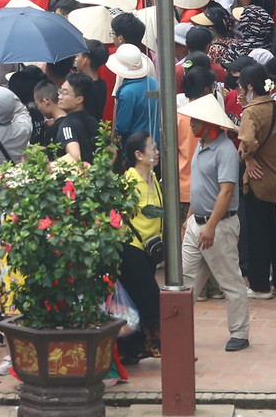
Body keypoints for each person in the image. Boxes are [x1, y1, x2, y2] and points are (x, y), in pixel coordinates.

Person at [177, 93, 250, 351]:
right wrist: (190, 218)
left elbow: (226, 191)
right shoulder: (201, 145)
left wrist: (210, 226)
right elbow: (200, 186)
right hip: (198, 222)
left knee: (229, 280)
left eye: (196, 121)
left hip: (218, 225)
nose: (192, 125)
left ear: (210, 123)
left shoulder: (225, 150)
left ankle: (240, 332)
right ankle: (177, 332)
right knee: (185, 282)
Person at [235, 63, 276, 299]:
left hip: (257, 181)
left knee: (258, 236)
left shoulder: (251, 111)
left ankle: (260, 286)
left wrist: (247, 158)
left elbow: (246, 141)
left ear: (249, 86)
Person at [113, 132, 162, 362]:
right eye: (152, 148)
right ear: (138, 154)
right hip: (131, 248)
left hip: (150, 249)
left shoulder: (153, 177)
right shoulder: (128, 181)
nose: (157, 153)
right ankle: (160, 345)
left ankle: (131, 350)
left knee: (136, 301)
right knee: (152, 298)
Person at [110, 44, 160, 143]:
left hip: (135, 145)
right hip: (155, 140)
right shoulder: (153, 83)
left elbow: (122, 127)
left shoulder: (127, 92)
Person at [50, 73, 100, 163]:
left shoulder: (66, 125)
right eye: (60, 92)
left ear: (79, 99)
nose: (59, 97)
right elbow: (112, 151)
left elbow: (75, 157)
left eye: (64, 93)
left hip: (78, 176)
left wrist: (50, 166)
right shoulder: (93, 121)